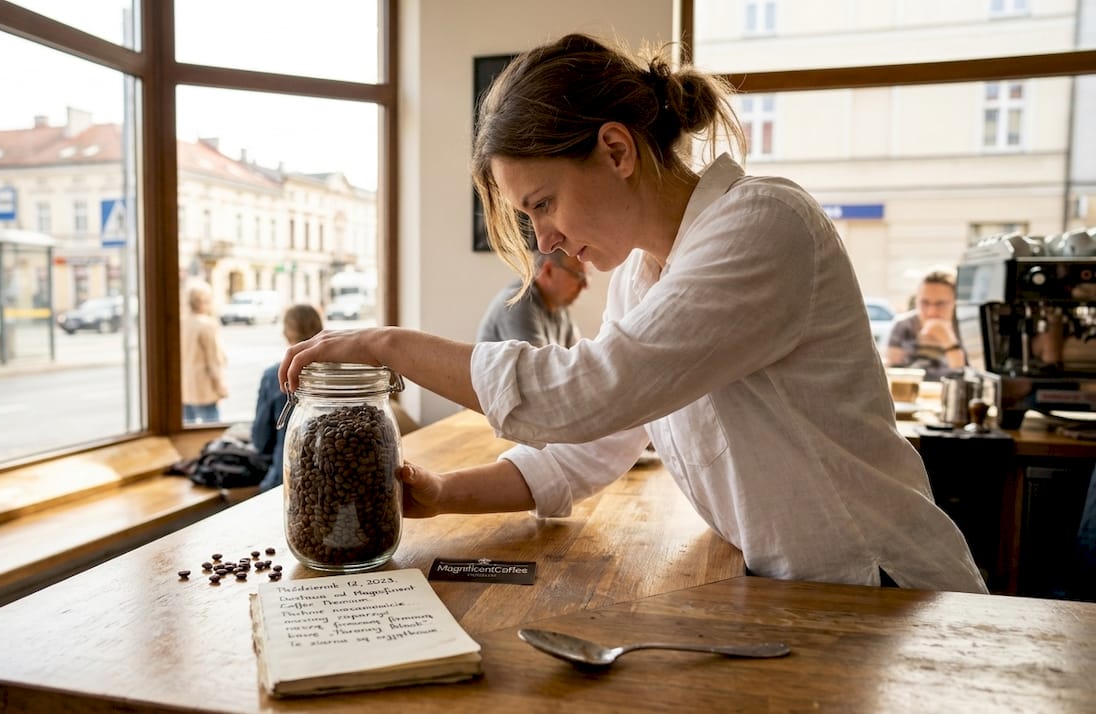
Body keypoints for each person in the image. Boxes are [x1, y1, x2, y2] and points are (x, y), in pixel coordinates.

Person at [279, 33, 985, 593]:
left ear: (615, 149)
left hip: (885, 591)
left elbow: (586, 394)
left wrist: (387, 345)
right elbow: (591, 444)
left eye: (542, 204)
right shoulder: (640, 277)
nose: (546, 240)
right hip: (793, 587)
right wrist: (441, 493)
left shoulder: (764, 226)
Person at [252, 304, 323, 492]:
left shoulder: (273, 377)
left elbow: (261, 441)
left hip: (283, 479)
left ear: (287, 333)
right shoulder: (338, 376)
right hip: (331, 479)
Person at [476, 249, 586, 347]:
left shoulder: (559, 307)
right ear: (548, 271)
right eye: (578, 275)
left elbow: (577, 361)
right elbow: (538, 367)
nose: (585, 284)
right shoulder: (518, 302)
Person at [885, 269, 966, 379]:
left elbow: (965, 377)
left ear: (954, 302)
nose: (931, 312)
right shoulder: (903, 326)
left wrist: (949, 343)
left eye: (940, 304)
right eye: (924, 303)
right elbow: (892, 372)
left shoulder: (966, 328)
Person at [180, 280, 228, 424]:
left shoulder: (182, 322)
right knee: (212, 429)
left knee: (187, 428)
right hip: (204, 386)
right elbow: (213, 360)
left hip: (184, 386)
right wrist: (220, 386)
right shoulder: (206, 324)